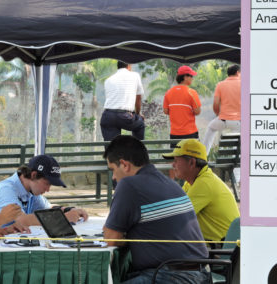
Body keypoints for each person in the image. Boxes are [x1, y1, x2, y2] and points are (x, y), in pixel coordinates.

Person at [103, 135, 210, 284]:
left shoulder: (129, 185)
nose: (114, 177)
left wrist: (126, 239)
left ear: (124, 165)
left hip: (170, 276)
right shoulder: (169, 183)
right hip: (200, 274)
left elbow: (110, 238)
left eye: (113, 170)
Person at [162, 139, 240, 243]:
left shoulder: (204, 183)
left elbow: (175, 217)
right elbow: (173, 206)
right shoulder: (193, 181)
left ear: (191, 163)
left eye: (176, 160)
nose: (173, 165)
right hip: (216, 246)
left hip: (221, 250)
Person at [0, 154, 88, 227]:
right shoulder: (7, 190)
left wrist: (69, 210)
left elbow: (47, 208)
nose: (48, 189)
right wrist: (63, 219)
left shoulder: (31, 190)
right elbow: (22, 220)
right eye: (47, 183)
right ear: (33, 175)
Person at [100, 61, 145, 141]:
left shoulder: (108, 80)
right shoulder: (135, 75)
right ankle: (136, 151)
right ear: (128, 65)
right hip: (124, 116)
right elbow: (138, 98)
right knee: (140, 124)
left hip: (107, 116)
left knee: (111, 147)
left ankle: (111, 153)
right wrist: (138, 114)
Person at [202, 64, 241, 154]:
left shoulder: (220, 84)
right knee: (239, 142)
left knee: (211, 128)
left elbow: (215, 104)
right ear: (238, 73)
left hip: (222, 120)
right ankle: (237, 164)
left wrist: (219, 115)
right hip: (239, 122)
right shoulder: (244, 84)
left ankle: (204, 156)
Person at [163, 66, 201, 148]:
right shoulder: (192, 92)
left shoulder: (168, 92)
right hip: (190, 133)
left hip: (174, 134)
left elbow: (166, 111)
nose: (192, 78)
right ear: (185, 77)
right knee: (192, 158)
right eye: (191, 76)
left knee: (177, 158)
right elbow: (197, 112)